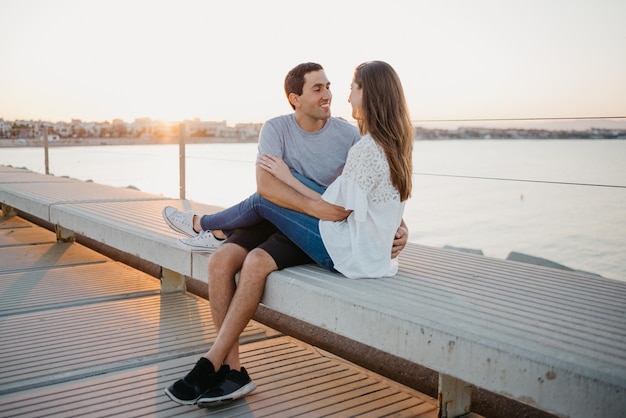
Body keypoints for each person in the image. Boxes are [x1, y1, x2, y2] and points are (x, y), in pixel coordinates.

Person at [163, 62, 410, 407]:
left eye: (333, 86)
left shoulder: (355, 139)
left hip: (326, 232)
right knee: (222, 261)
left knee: (257, 246)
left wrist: (398, 227)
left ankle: (205, 226)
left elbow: (355, 201)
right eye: (318, 89)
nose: (331, 95)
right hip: (313, 221)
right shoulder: (277, 129)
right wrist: (326, 209)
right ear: (295, 99)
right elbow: (273, 185)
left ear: (369, 95)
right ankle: (232, 371)